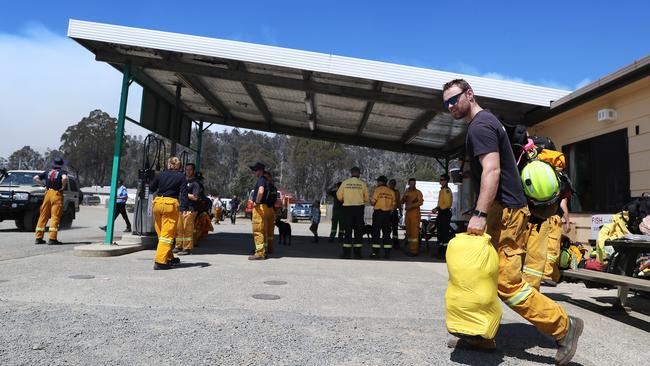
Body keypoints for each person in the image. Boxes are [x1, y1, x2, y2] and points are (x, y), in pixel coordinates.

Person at [442, 78, 582, 364]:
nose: (450, 106)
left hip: (506, 213)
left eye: (454, 99)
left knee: (506, 282)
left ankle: (564, 326)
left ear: (469, 94)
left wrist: (479, 215)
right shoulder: (487, 122)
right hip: (501, 209)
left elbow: (492, 171)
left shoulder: (480, 126)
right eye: (446, 103)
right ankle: (482, 335)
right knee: (483, 272)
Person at [149, 157, 188, 270]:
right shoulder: (181, 176)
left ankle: (169, 257)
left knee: (161, 233)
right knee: (167, 235)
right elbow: (184, 193)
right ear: (179, 166)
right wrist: (184, 208)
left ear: (168, 164)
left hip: (157, 203)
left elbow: (151, 188)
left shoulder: (160, 174)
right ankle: (160, 262)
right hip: (170, 205)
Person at [33, 158, 68, 245]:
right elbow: (64, 178)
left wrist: (44, 185)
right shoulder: (62, 172)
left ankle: (38, 238)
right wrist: (63, 187)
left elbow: (35, 178)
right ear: (61, 165)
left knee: (43, 216)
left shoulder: (47, 172)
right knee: (55, 217)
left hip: (47, 194)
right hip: (57, 194)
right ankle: (52, 239)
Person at [336, 166, 368, 259]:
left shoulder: (345, 183)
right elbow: (366, 198)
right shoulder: (362, 184)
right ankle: (358, 254)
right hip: (359, 209)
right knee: (358, 232)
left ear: (351, 173)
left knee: (348, 231)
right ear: (359, 174)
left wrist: (345, 199)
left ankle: (346, 254)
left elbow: (339, 196)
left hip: (348, 209)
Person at [173, 163, 201, 256]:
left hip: (191, 209)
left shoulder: (195, 183)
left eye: (190, 170)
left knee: (187, 229)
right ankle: (178, 246)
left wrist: (185, 194)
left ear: (193, 171)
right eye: (186, 169)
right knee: (179, 228)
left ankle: (187, 248)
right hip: (181, 207)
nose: (188, 171)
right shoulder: (182, 180)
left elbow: (195, 197)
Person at [370, 176, 396, 259]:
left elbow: (373, 202)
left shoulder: (378, 190)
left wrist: (371, 199)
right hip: (387, 215)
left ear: (381, 182)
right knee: (387, 234)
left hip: (378, 214)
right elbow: (393, 205)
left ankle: (376, 253)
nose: (377, 183)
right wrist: (389, 213)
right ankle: (387, 254)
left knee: (376, 233)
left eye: (378, 181)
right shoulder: (391, 191)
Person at [249, 162, 269, 260]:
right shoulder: (264, 180)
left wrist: (256, 202)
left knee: (257, 230)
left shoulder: (261, 180)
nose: (254, 172)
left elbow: (260, 191)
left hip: (259, 207)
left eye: (255, 170)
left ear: (260, 171)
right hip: (264, 207)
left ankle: (260, 253)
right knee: (262, 230)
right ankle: (263, 251)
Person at [401, 178, 423, 256]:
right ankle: (410, 248)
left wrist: (412, 206)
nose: (412, 185)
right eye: (411, 183)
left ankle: (414, 251)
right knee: (409, 232)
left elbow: (420, 202)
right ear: (408, 183)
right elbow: (402, 201)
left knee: (414, 233)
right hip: (408, 214)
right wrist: (404, 198)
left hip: (415, 214)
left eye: (414, 184)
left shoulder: (418, 192)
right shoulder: (406, 192)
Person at [433, 173, 453, 258]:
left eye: (441, 180)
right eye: (440, 180)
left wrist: (438, 209)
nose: (440, 181)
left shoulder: (447, 191)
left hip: (444, 213)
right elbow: (441, 203)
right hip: (441, 213)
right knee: (440, 233)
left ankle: (445, 253)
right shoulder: (442, 190)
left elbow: (447, 204)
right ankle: (440, 251)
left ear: (446, 181)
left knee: (444, 234)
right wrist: (437, 208)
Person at [264, 171, 278, 254]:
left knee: (263, 230)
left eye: (265, 177)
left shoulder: (267, 186)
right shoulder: (274, 188)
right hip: (272, 210)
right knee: (270, 231)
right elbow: (275, 199)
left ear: (269, 177)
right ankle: (270, 248)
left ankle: (264, 249)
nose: (264, 179)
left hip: (266, 209)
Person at [388, 179, 401, 249]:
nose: (392, 185)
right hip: (387, 211)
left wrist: (401, 211)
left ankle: (395, 244)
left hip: (394, 212)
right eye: (391, 183)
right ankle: (387, 242)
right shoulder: (386, 191)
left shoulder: (397, 192)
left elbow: (398, 202)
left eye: (393, 184)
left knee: (395, 228)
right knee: (387, 228)